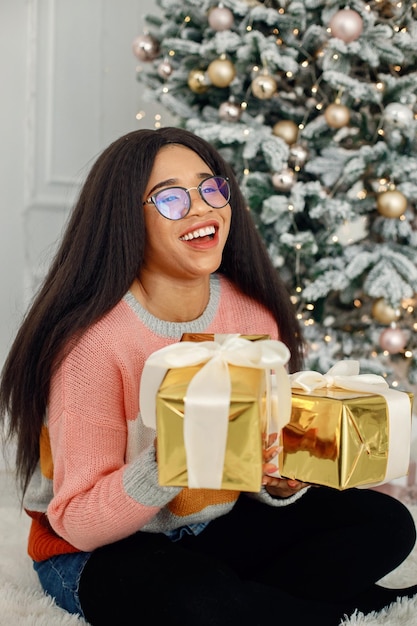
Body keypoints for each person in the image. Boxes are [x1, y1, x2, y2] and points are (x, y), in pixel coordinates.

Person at [0, 126, 416, 626]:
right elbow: (80, 526)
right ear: (126, 220)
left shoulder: (251, 318)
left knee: (385, 523)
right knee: (194, 597)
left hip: (211, 532)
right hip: (99, 550)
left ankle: (253, 603)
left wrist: (277, 482)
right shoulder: (92, 345)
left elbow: (254, 471)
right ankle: (314, 607)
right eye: (171, 198)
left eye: (210, 187)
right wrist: (172, 458)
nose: (201, 207)